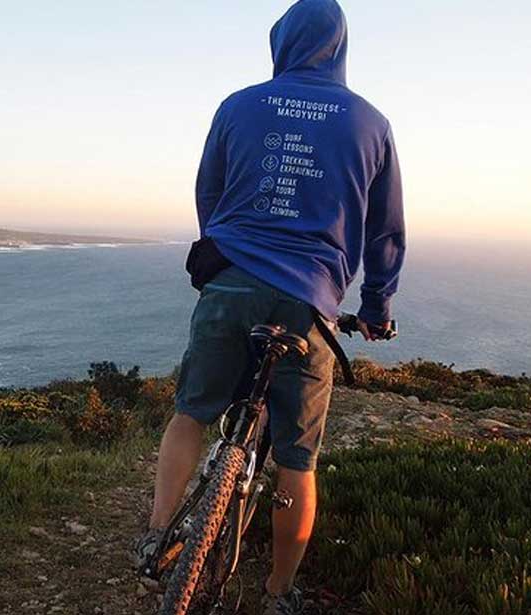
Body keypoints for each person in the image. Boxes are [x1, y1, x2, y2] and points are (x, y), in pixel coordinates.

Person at [136, 0, 405, 612]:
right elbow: (385, 230)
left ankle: (155, 535)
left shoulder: (238, 105)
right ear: (339, 47)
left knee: (191, 413)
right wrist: (376, 305)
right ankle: (281, 591)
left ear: (280, 41)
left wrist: (227, 245)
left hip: (231, 280)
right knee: (297, 459)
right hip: (309, 303)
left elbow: (210, 189)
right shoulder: (371, 123)